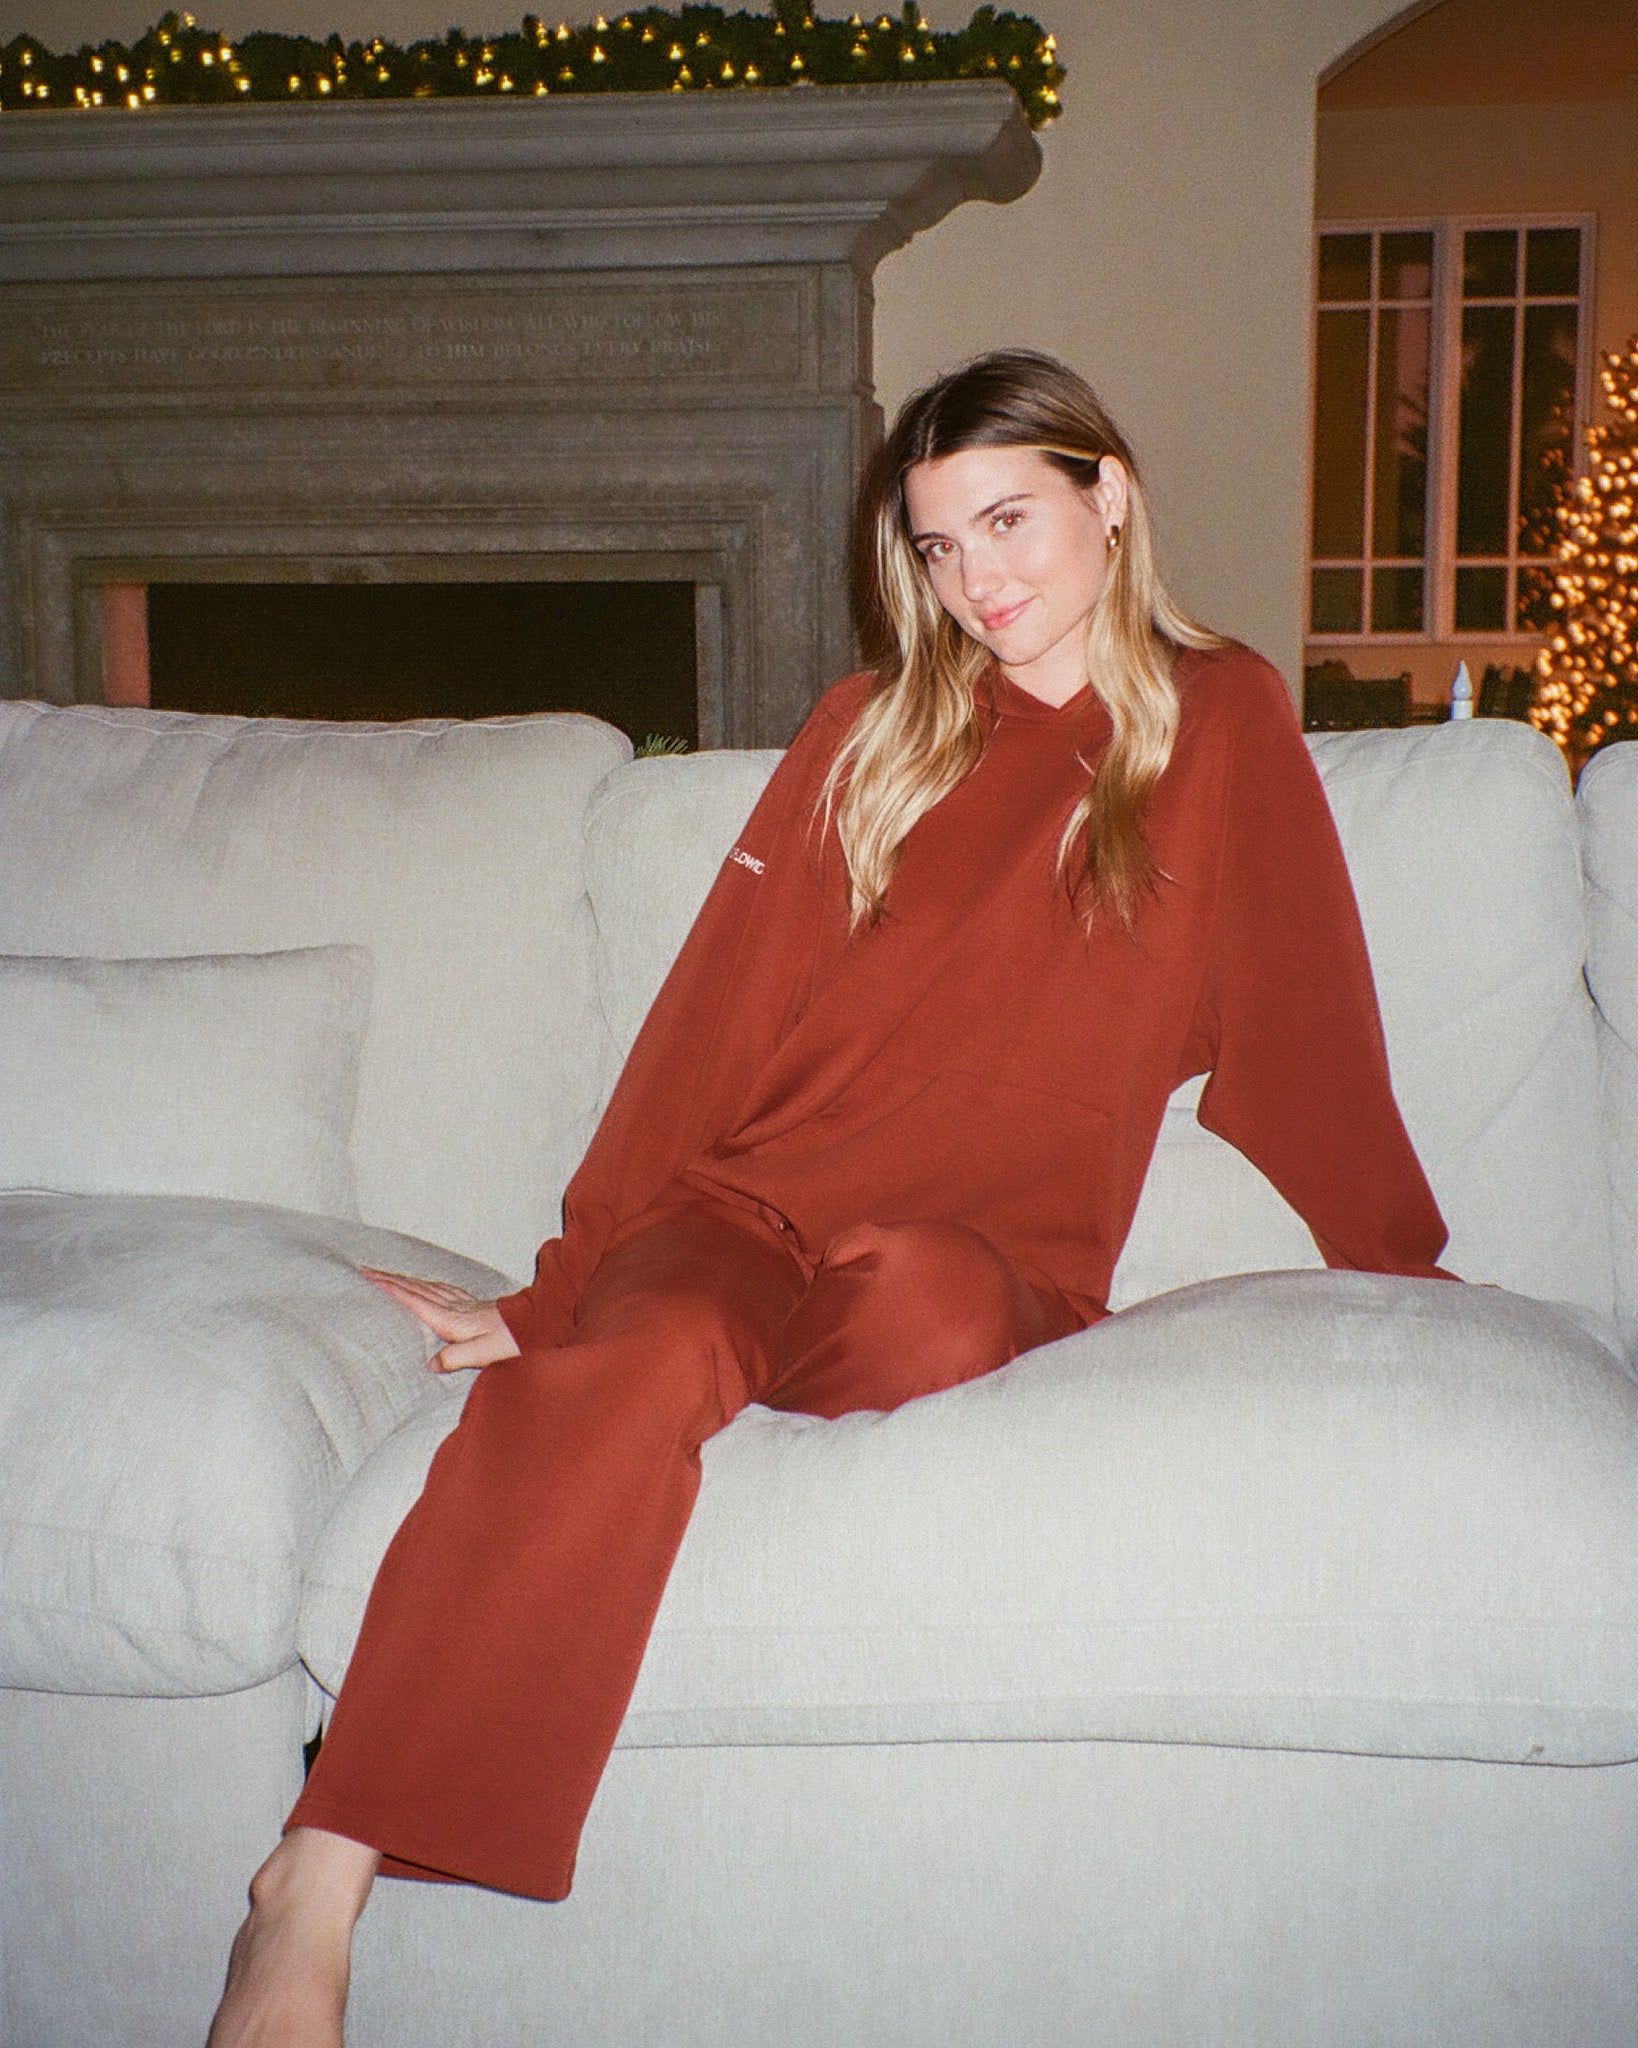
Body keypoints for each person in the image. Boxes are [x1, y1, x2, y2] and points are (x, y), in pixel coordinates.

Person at [206, 349, 1453, 2046]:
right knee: (636, 1366)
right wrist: (558, 1292)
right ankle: (319, 1869)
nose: (977, 579)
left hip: (987, 1254)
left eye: (1007, 520)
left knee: (932, 1305)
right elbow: (707, 1031)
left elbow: (1305, 1034)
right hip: (736, 1213)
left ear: (1111, 497)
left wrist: (1405, 1274)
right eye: (937, 546)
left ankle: (687, 1400)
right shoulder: (870, 730)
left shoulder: (1219, 720)